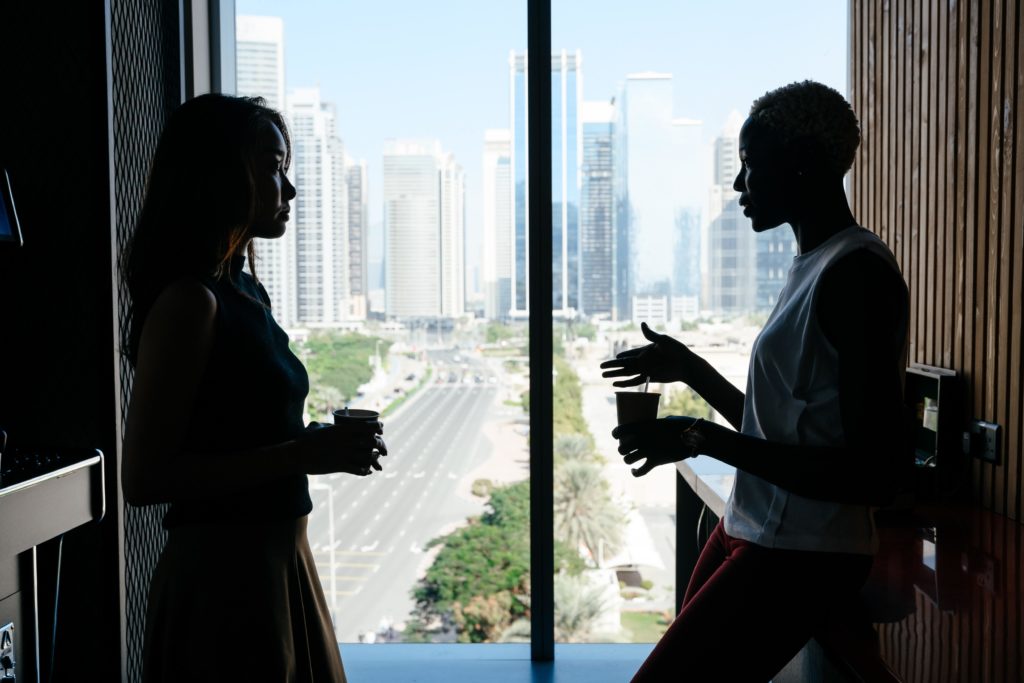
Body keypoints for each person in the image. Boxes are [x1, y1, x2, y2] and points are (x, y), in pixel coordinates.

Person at [601, 81, 910, 682]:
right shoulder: (813, 265)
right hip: (752, 528)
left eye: (749, 165)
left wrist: (698, 438)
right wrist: (690, 368)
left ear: (800, 163)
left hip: (801, 555)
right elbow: (779, 431)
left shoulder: (857, 276)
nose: (739, 186)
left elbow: (875, 473)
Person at [120, 94, 386, 682]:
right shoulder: (192, 303)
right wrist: (303, 455)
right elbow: (144, 479)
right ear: (218, 174)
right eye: (271, 166)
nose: (288, 189)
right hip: (225, 585)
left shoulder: (243, 293)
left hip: (277, 565)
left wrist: (310, 449)